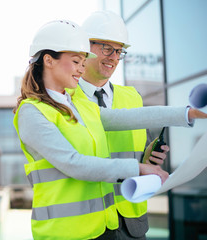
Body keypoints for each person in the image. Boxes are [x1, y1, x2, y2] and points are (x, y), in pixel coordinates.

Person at [13, 19, 207, 240]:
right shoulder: (32, 112)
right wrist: (139, 168)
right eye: (76, 61)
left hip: (99, 228)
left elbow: (128, 117)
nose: (81, 68)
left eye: (83, 62)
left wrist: (188, 113)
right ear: (49, 60)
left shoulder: (79, 105)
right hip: (63, 233)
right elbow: (73, 163)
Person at [76, 10, 166, 239]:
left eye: (119, 51)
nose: (114, 57)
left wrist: (147, 160)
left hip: (132, 222)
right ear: (85, 47)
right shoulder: (63, 98)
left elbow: (131, 153)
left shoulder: (132, 97)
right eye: (107, 48)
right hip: (88, 223)